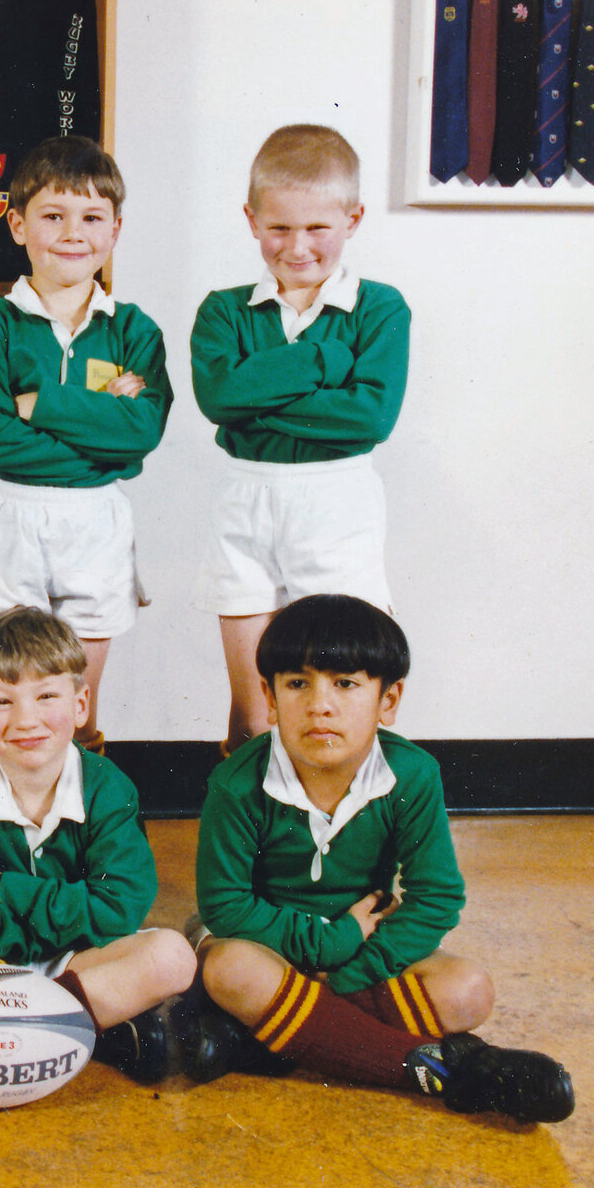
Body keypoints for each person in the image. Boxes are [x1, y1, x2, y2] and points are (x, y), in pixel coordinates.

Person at [182, 594, 575, 1123]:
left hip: (359, 954)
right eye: (297, 684)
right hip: (266, 944)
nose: (320, 705)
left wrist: (346, 973)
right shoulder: (236, 784)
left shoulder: (412, 776)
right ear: (269, 699)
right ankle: (451, 1069)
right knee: (230, 971)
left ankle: (269, 1037)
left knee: (468, 990)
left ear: (387, 701)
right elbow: (227, 906)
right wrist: (330, 942)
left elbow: (435, 899)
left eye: (345, 684)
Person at [0, 607, 197, 1082]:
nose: (27, 720)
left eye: (47, 695)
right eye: (3, 702)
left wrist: (7, 889)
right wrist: (19, 961)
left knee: (172, 957)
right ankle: (86, 1020)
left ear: (81, 705)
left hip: (81, 957)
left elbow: (118, 910)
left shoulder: (108, 787)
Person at [188, 125, 410, 754]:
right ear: (251, 219)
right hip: (247, 504)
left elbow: (369, 419)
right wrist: (321, 361)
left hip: (336, 503)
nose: (298, 246)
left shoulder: (381, 308)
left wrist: (255, 403)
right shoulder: (225, 310)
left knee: (340, 699)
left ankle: (342, 844)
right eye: (279, 228)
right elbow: (219, 400)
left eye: (318, 228)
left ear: (353, 218)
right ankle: (252, 845)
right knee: (255, 708)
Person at [0, 136, 170, 755]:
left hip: (95, 520)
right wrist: (102, 428)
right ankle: (5, 828)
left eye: (92, 218)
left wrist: (39, 404)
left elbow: (140, 438)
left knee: (76, 701)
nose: (73, 233)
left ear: (115, 230)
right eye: (53, 216)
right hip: (7, 518)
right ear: (17, 225)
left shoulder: (134, 329)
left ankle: (77, 832)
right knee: (10, 691)